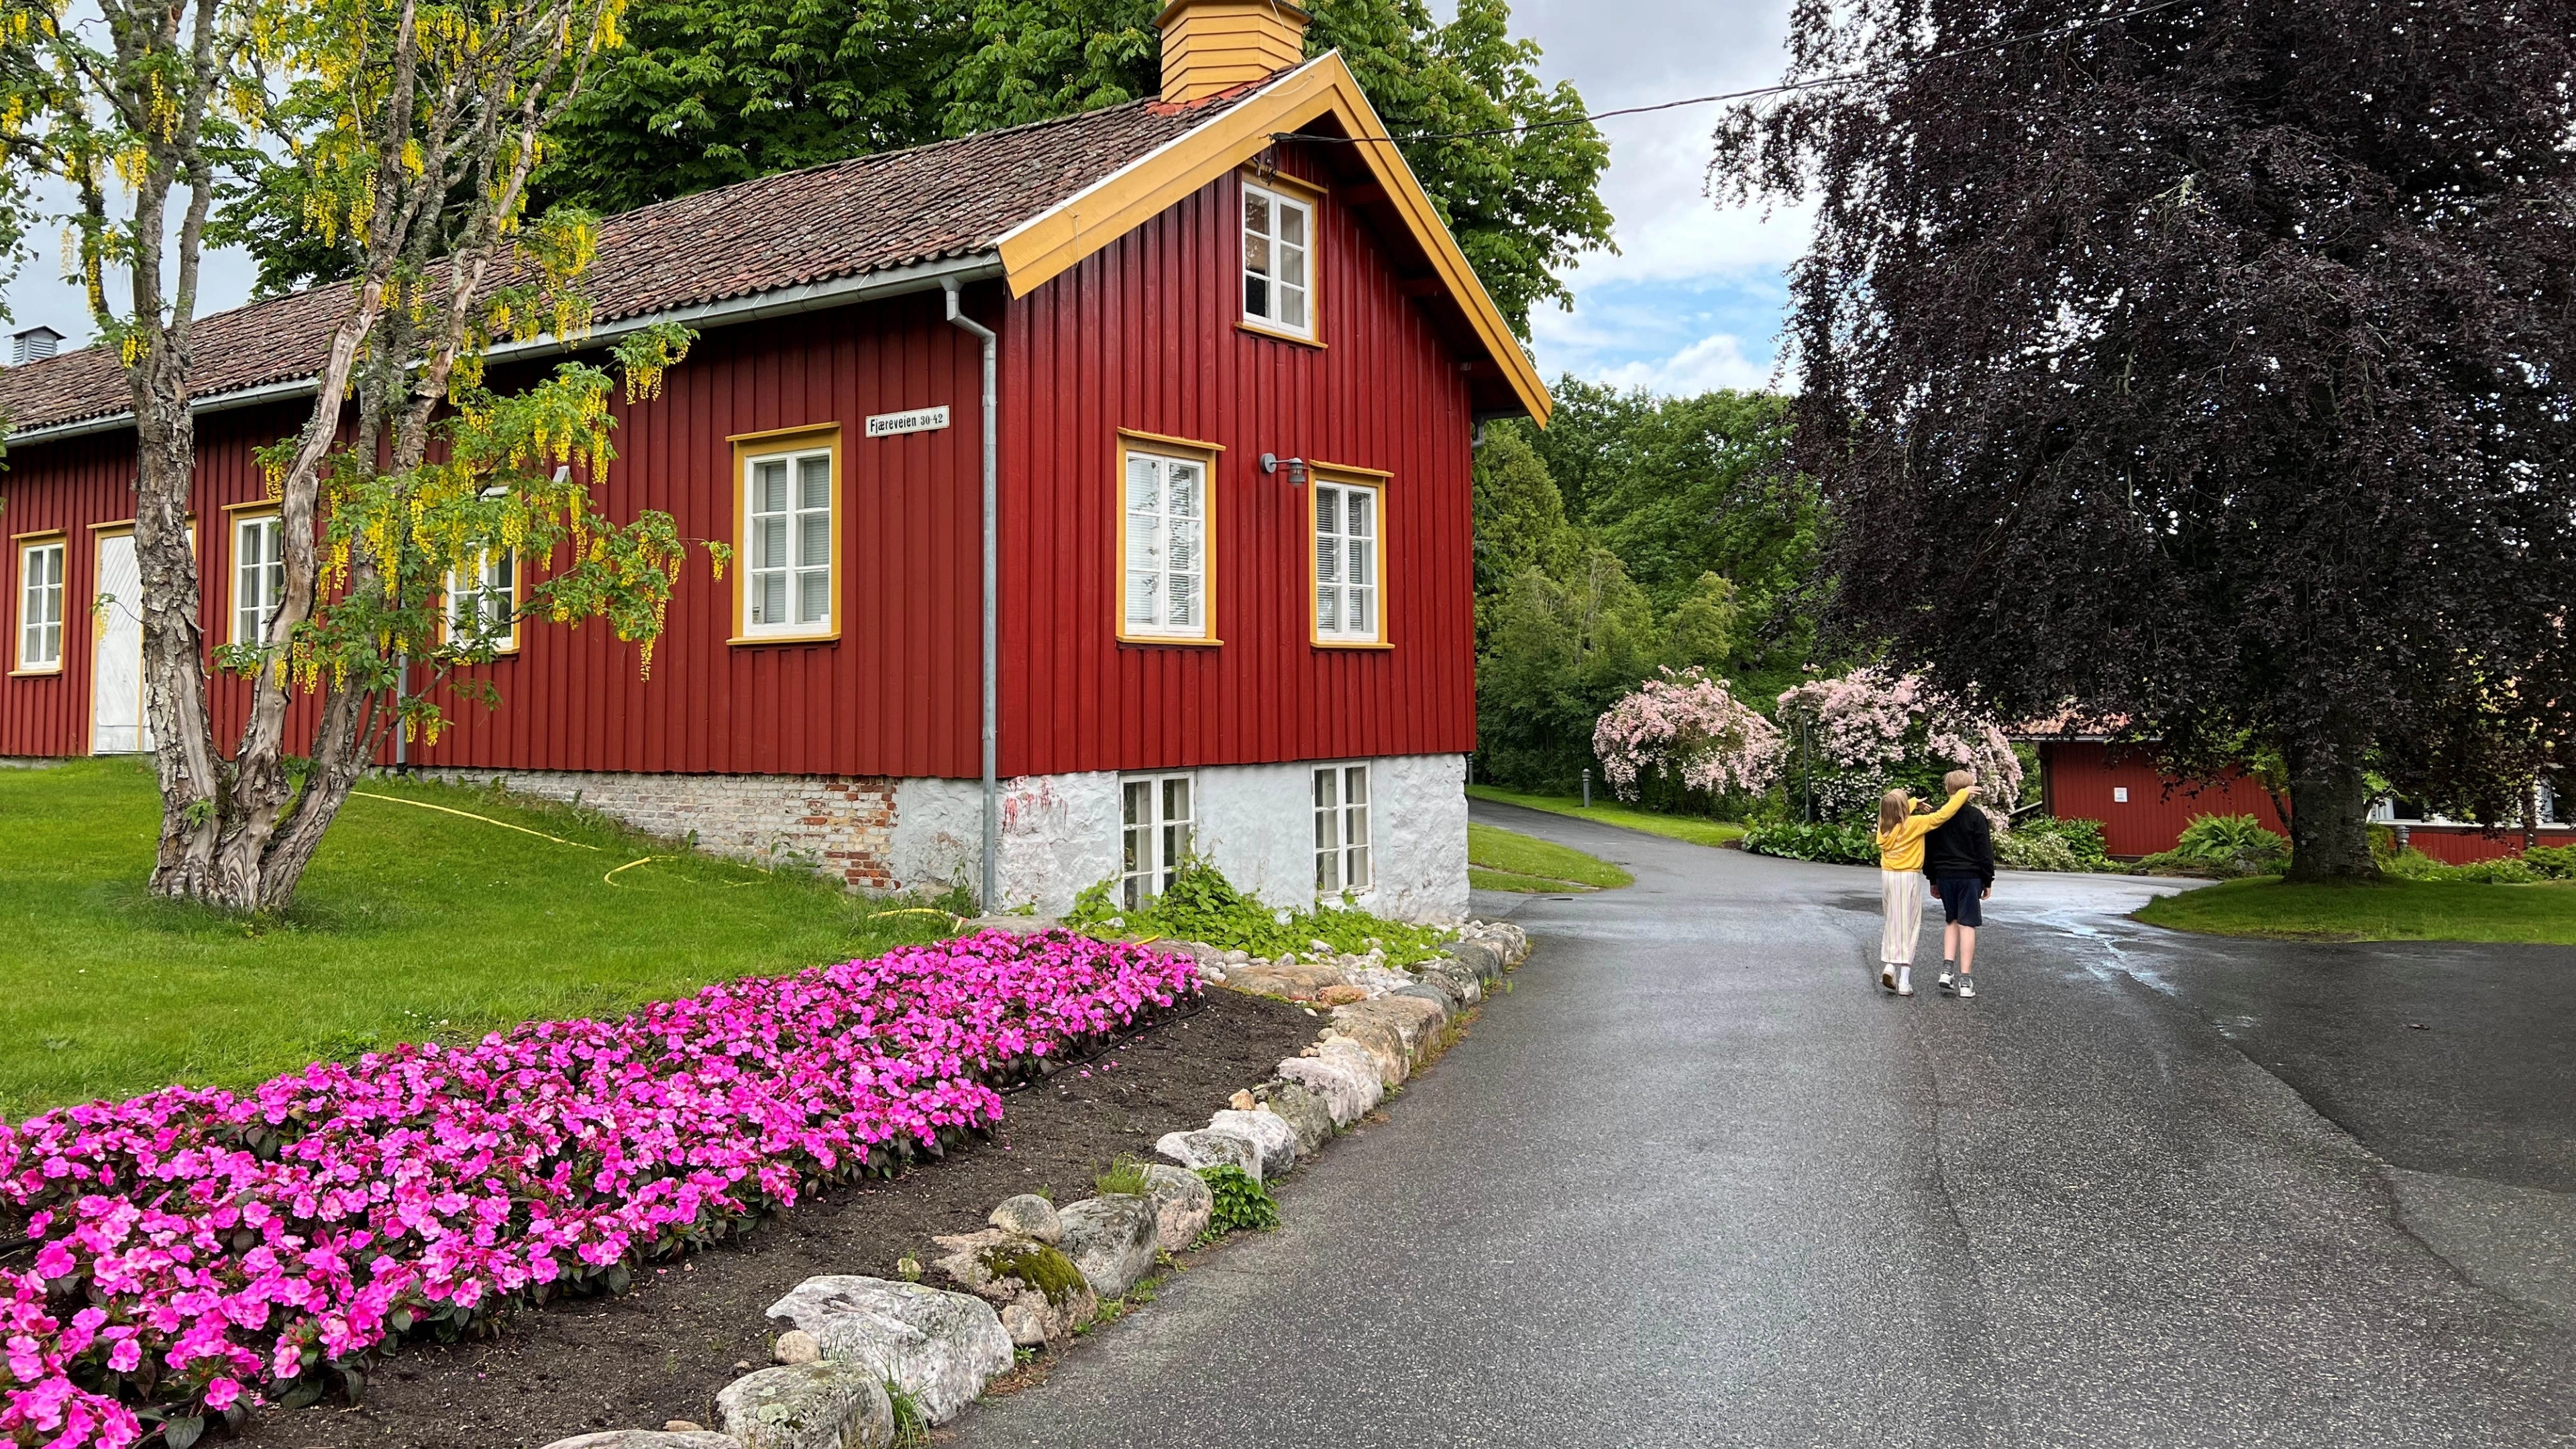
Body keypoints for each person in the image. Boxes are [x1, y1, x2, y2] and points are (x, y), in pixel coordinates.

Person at [1873, 782, 1976, 996]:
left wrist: (1911, 804)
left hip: (1888, 876)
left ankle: (1890, 965)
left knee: (1893, 921)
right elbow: (1943, 815)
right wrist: (1962, 795)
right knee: (1910, 925)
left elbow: (1896, 811)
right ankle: (1904, 981)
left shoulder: (1884, 825)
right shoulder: (1915, 824)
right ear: (1903, 809)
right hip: (1907, 876)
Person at [1919, 768, 1994, 999]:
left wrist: (1933, 879)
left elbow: (1929, 849)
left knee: (1951, 920)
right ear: (1969, 790)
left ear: (1947, 789)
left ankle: (1946, 970)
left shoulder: (1937, 814)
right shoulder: (1976, 817)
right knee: (1967, 924)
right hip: (1970, 875)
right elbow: (1984, 850)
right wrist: (1987, 879)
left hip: (1944, 874)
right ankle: (1965, 980)